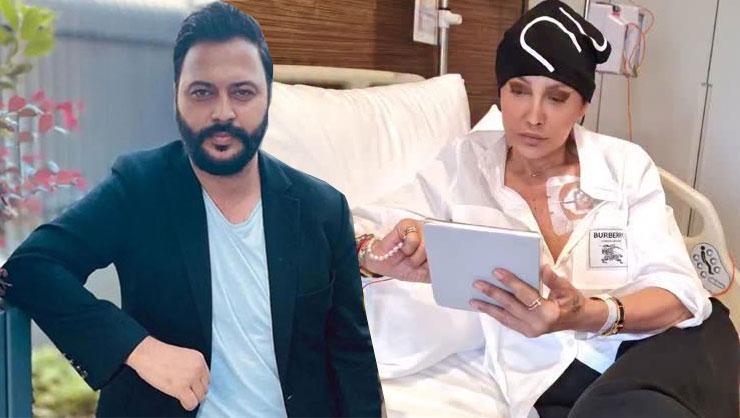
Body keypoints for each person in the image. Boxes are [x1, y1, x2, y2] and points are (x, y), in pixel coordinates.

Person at [352, 1, 738, 417]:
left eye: (556, 97)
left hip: (663, 342)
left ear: (583, 106)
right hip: (554, 379)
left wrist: (588, 314)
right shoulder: (463, 165)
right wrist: (376, 254)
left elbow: (681, 293)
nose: (533, 116)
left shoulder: (623, 165)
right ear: (500, 92)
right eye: (519, 90)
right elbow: (359, 230)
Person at [0, 3, 381, 417]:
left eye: (243, 92)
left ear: (269, 96)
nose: (223, 112)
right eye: (202, 92)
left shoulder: (323, 209)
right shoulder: (140, 188)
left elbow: (352, 357)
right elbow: (32, 267)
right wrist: (139, 348)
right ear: (176, 97)